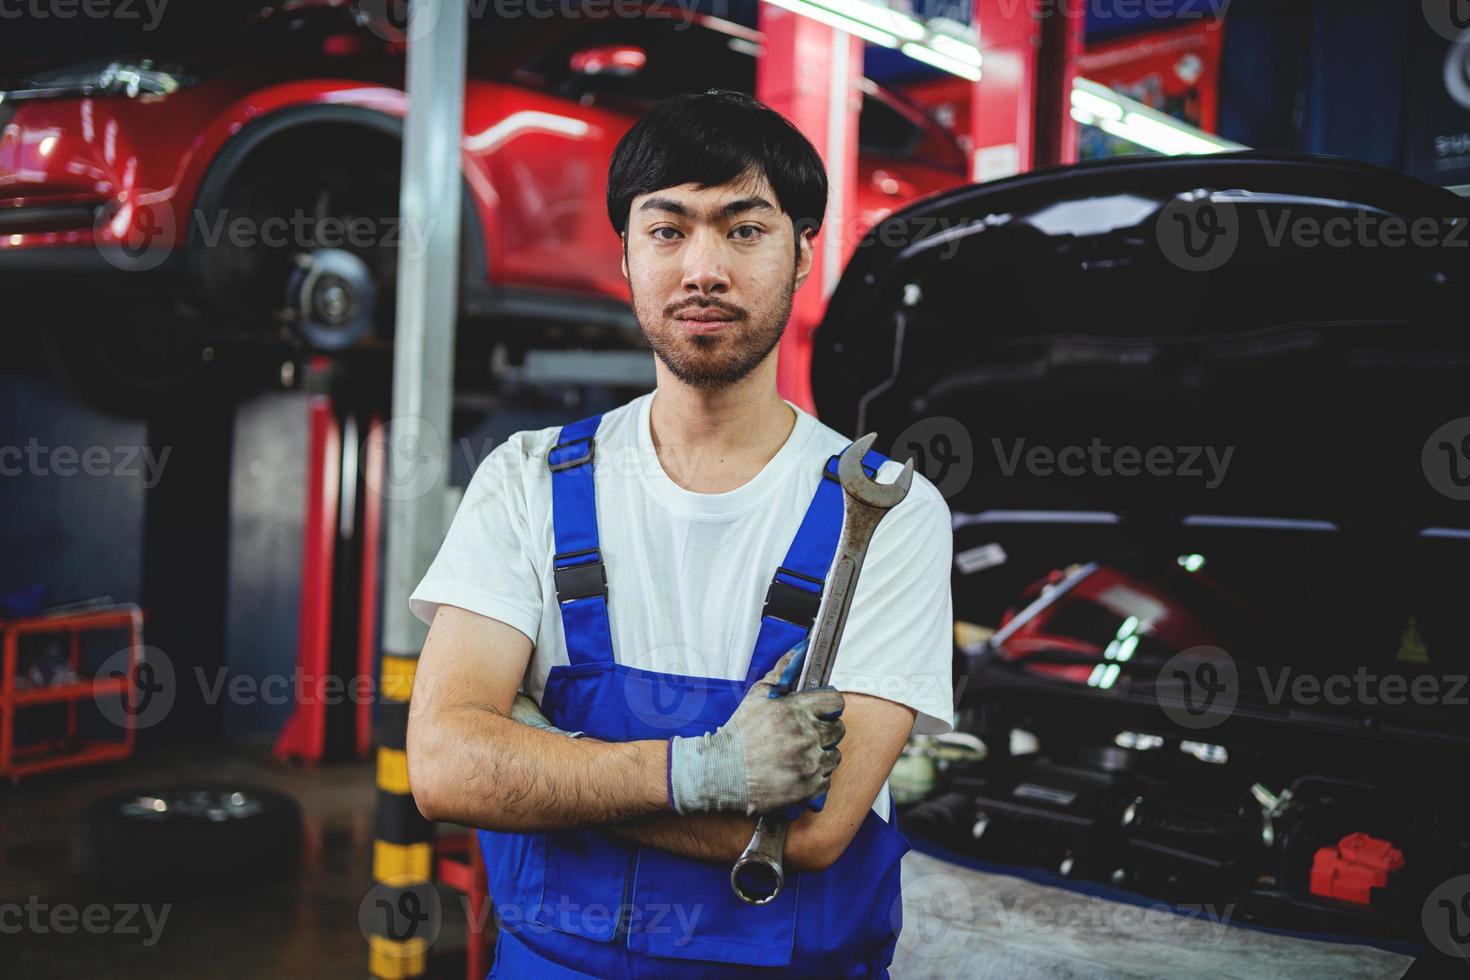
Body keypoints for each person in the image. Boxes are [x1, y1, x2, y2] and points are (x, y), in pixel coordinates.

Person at [405, 89, 954, 978]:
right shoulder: (528, 480)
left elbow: (810, 832)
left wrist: (536, 761)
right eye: (667, 230)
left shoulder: (888, 512)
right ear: (624, 252)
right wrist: (704, 773)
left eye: (744, 229)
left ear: (805, 250)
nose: (704, 268)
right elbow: (442, 767)